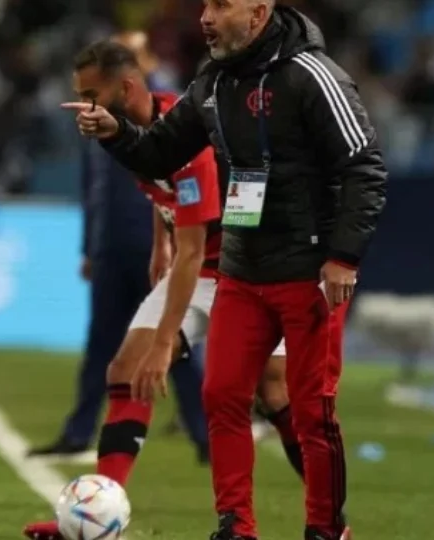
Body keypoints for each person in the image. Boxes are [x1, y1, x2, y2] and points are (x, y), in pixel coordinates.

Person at [62, 2, 388, 539]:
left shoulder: (313, 75)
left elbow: (364, 166)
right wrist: (115, 132)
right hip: (241, 269)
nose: (206, 17)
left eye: (221, 5)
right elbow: (159, 152)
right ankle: (236, 526)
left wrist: (343, 257)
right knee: (222, 396)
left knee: (311, 411)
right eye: (206, 5)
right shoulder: (213, 81)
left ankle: (327, 530)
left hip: (308, 273)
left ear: (258, 12)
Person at [26, 39, 303, 540]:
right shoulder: (132, 134)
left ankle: (330, 519)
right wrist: (161, 242)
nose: (83, 106)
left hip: (250, 268)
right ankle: (94, 517)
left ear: (127, 88)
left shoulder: (190, 140)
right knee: (124, 370)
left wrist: (164, 344)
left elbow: (194, 247)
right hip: (199, 265)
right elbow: (163, 193)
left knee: (275, 389)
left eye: (91, 94)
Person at [27, 47, 210, 463]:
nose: (86, 102)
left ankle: (206, 437)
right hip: (114, 248)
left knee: (173, 349)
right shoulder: (100, 132)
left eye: (92, 91)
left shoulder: (169, 122)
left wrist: (164, 244)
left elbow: (173, 184)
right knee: (104, 348)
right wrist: (91, 247)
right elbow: (103, 191)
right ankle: (78, 433)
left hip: (176, 249)